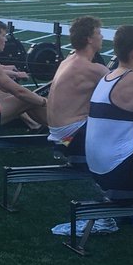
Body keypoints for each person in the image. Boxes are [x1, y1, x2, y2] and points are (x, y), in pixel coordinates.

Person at [45, 15, 106, 163]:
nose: (102, 36)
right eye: (98, 33)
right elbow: (123, 89)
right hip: (70, 138)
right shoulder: (91, 69)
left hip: (59, 137)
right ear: (89, 39)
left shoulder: (67, 61)